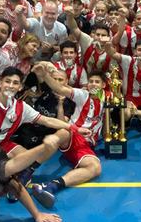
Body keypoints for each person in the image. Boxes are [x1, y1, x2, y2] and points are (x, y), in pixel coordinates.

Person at [0, 30, 90, 156]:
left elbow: (48, 121)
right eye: (8, 82)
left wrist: (77, 129)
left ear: (20, 87)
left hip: (1, 144)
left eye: (15, 83)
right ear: (0, 83)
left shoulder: (21, 107)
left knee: (27, 158)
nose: (11, 86)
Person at [29, 64, 106, 208]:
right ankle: (26, 172)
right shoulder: (82, 94)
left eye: (97, 82)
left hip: (85, 145)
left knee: (96, 168)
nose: (93, 84)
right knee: (65, 132)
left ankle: (50, 186)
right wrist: (45, 75)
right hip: (73, 134)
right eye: (91, 81)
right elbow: (60, 88)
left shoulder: (107, 97)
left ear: (103, 85)